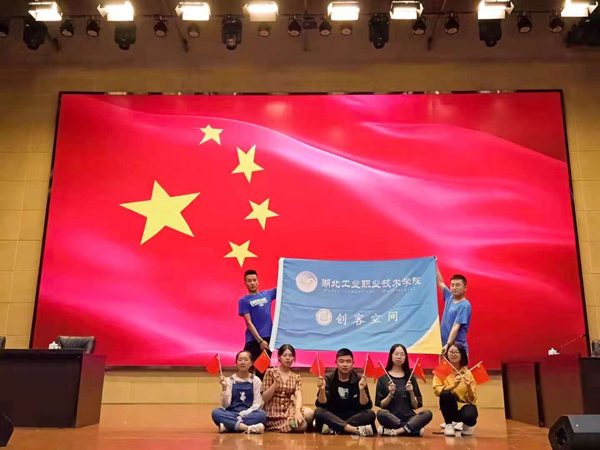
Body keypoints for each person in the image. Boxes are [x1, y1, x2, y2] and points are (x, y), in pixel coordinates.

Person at [313, 348, 376, 437]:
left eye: (348, 361)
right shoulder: (328, 379)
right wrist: (322, 390)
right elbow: (321, 404)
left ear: (353, 363)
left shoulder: (359, 379)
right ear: (336, 363)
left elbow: (366, 405)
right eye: (341, 361)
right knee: (318, 412)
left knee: (370, 413)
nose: (345, 365)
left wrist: (362, 390)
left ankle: (335, 428)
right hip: (334, 415)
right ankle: (353, 429)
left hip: (353, 416)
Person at [376, 344, 433, 437]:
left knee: (427, 414)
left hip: (409, 418)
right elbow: (382, 405)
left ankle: (397, 431)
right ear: (391, 356)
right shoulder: (383, 378)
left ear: (405, 357)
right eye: (396, 354)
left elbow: (415, 406)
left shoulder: (410, 377)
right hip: (391, 418)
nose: (399, 357)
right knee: (381, 414)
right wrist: (390, 394)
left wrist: (411, 393)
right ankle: (412, 429)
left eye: (402, 354)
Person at [262, 344, 314, 432]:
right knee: (302, 426)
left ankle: (309, 427)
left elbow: (298, 395)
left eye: (290, 355)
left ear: (293, 358)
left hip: (289, 410)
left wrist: (297, 411)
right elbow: (265, 398)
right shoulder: (270, 372)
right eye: (284, 355)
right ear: (279, 357)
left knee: (309, 413)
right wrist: (275, 383)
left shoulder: (295, 377)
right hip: (273, 412)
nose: (287, 358)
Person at [211, 350, 267, 434]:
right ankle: (247, 428)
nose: (243, 362)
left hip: (249, 414)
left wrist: (242, 415)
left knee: (261, 414)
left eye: (246, 360)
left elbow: (257, 403)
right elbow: (225, 405)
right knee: (216, 412)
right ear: (236, 363)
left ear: (251, 363)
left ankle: (229, 426)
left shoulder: (256, 380)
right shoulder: (229, 380)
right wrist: (224, 387)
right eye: (240, 360)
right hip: (232, 413)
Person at [433, 343, 478, 437]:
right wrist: (453, 386)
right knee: (445, 393)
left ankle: (467, 425)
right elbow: (437, 390)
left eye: (457, 352)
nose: (453, 355)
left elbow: (472, 399)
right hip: (450, 407)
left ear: (462, 355)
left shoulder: (468, 373)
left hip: (464, 406)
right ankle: (448, 424)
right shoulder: (441, 370)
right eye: (451, 352)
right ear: (447, 354)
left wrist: (469, 387)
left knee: (469, 416)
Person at [238, 269, 277, 378]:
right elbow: (249, 323)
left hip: (268, 340)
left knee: (262, 372)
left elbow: (283, 287)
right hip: (253, 341)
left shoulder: (267, 294)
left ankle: (260, 390)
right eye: (249, 281)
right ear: (245, 283)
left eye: (254, 280)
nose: (252, 283)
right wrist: (260, 341)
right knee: (247, 371)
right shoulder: (244, 300)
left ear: (258, 281)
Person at [435, 258, 472, 356]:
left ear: (465, 287)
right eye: (452, 285)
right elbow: (440, 282)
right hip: (445, 346)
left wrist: (448, 344)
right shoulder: (449, 297)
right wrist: (434, 264)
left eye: (458, 285)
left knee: (457, 367)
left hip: (457, 349)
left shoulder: (464, 305)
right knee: (443, 367)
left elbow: (456, 326)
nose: (454, 287)